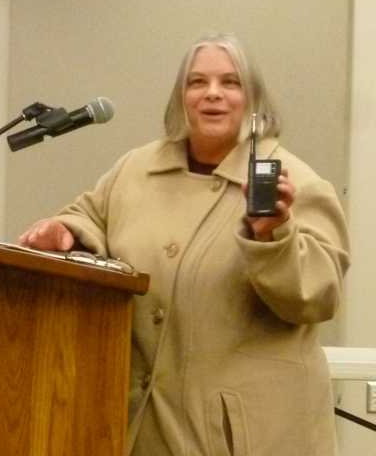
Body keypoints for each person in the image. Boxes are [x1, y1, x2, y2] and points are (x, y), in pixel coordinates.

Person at [18, 33, 350, 456]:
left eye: (230, 83)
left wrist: (272, 236)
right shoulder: (136, 170)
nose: (213, 94)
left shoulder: (297, 184)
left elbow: (317, 298)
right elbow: (90, 215)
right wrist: (66, 230)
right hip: (144, 428)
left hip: (245, 438)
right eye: (198, 82)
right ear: (181, 98)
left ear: (254, 100)